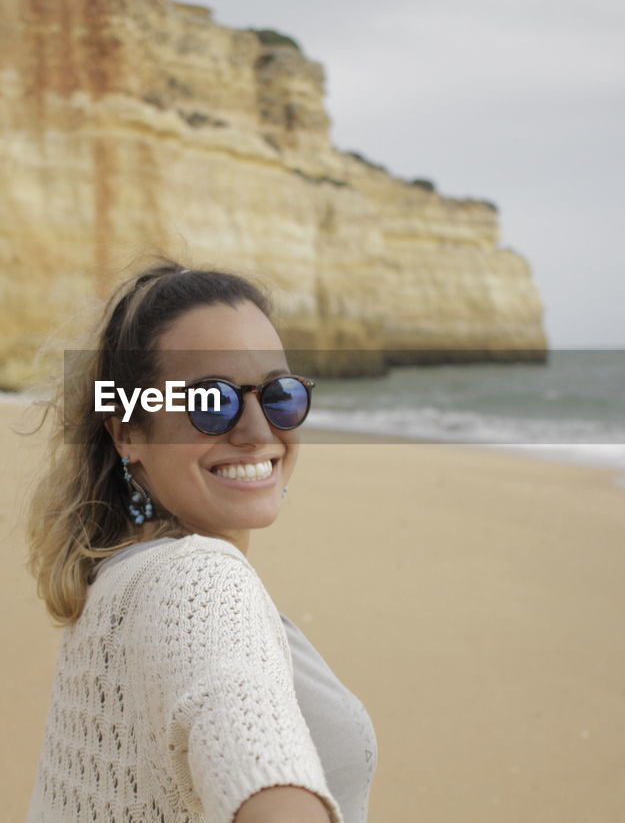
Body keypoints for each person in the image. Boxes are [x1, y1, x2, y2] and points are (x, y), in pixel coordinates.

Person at [22, 258, 378, 822]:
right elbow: (244, 731)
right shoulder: (199, 580)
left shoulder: (114, 580)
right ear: (128, 431)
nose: (259, 432)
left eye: (280, 395)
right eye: (212, 402)